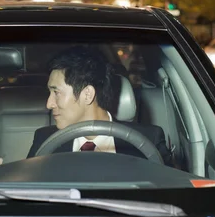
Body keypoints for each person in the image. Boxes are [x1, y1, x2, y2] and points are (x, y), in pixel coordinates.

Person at [27, 46, 174, 166]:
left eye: (56, 92)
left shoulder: (148, 141)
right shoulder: (45, 141)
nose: (49, 104)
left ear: (87, 94)